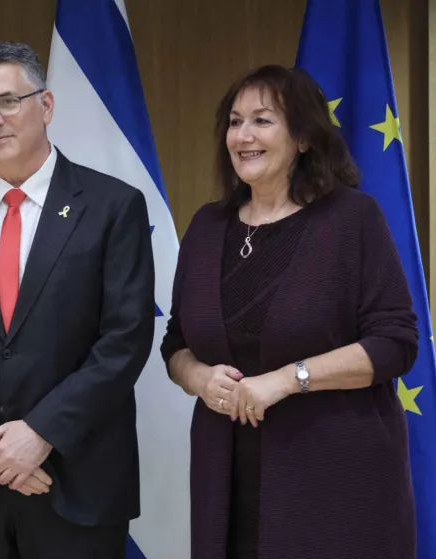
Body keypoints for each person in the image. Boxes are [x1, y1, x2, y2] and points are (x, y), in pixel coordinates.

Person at [0, 41, 155, 559]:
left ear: (47, 105)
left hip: (76, 482)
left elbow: (124, 339)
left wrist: (39, 433)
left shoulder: (113, 207)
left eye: (8, 101)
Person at [160, 64, 418, 558]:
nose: (243, 135)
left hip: (335, 480)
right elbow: (176, 341)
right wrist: (197, 378)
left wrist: (286, 379)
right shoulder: (207, 226)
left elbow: (395, 342)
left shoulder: (351, 218)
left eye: (262, 120)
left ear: (302, 136)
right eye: (235, 122)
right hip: (226, 476)